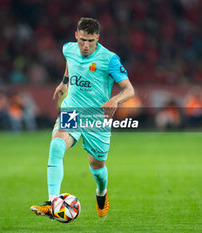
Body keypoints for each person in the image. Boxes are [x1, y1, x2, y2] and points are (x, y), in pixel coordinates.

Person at [30, 17, 134, 219]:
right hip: (73, 111)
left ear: (98, 38)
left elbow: (129, 90)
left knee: (97, 167)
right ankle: (52, 203)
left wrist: (115, 100)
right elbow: (70, 62)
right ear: (76, 36)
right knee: (56, 146)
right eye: (83, 40)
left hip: (97, 119)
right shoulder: (68, 48)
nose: (86, 45)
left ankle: (101, 193)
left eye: (91, 41)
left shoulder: (109, 59)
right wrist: (64, 82)